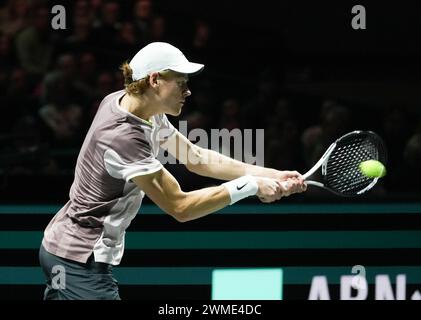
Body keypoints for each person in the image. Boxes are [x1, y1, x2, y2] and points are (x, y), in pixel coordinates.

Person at [39, 42, 307, 300]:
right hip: (79, 260)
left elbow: (196, 157)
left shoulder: (132, 104)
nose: (188, 91)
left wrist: (271, 174)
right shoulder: (123, 137)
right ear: (154, 80)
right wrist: (251, 186)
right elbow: (181, 207)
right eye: (181, 83)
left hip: (62, 250)